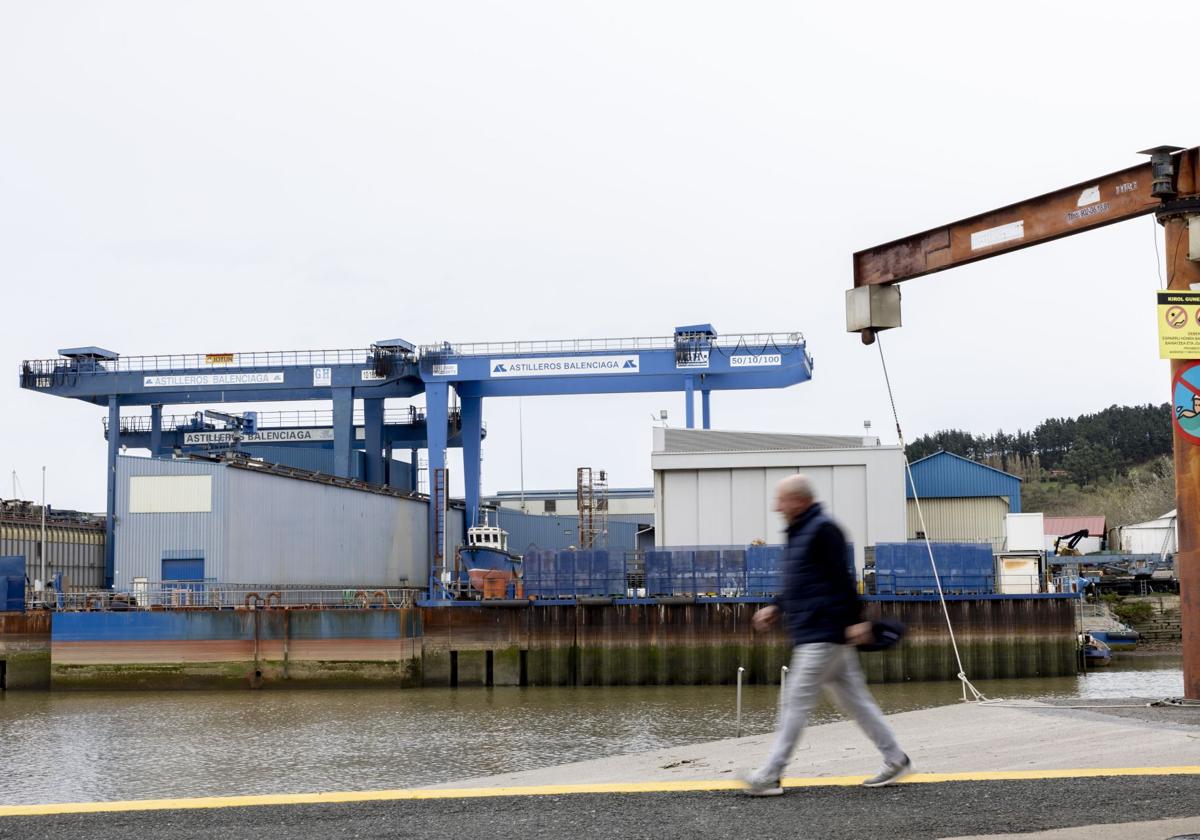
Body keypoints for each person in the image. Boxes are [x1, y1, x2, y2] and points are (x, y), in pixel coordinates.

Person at [740, 474, 911, 796]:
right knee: (857, 702)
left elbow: (842, 580)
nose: (777, 507)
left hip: (823, 632)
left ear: (799, 501)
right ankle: (895, 758)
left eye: (782, 500)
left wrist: (855, 620)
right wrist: (777, 606)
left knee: (794, 702)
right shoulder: (800, 532)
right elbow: (802, 582)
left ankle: (771, 774)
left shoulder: (822, 530)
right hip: (819, 630)